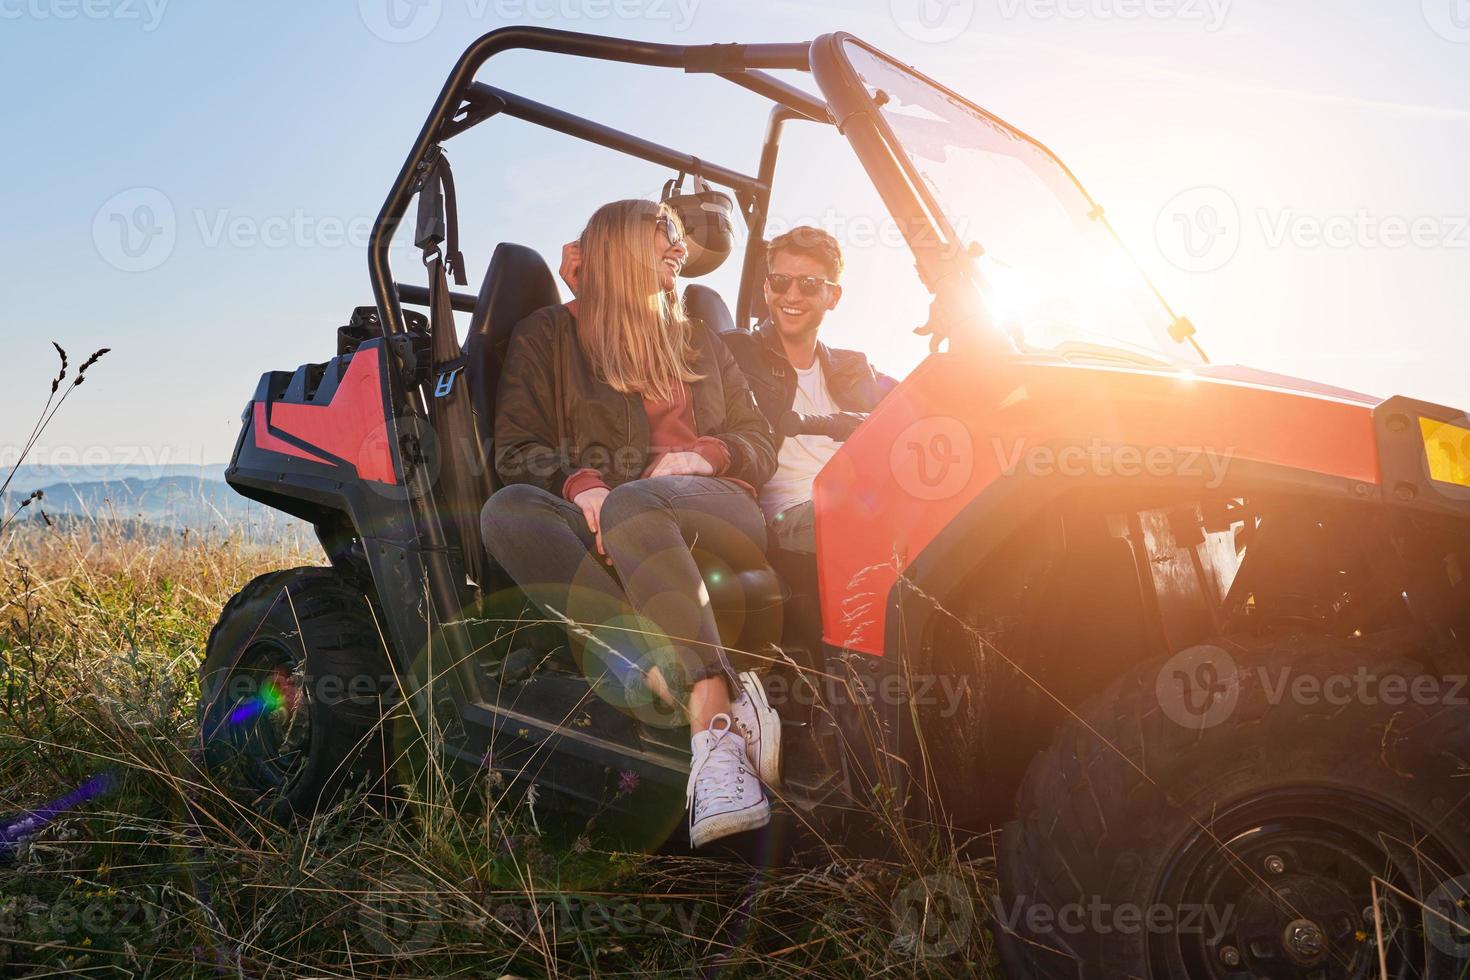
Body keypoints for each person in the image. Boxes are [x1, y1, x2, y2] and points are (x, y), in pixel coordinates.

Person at [480, 199, 781, 848]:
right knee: (507, 514)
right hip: (614, 514)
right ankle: (665, 680)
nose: (680, 249)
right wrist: (581, 486)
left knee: (634, 502)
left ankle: (715, 730)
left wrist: (705, 454)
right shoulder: (548, 336)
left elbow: (759, 440)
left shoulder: (699, 338)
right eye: (665, 237)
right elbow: (514, 449)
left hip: (713, 507)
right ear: (617, 249)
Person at [722, 226, 896, 555]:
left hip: (867, 501)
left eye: (809, 284)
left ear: (833, 296)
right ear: (766, 286)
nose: (792, 295)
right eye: (780, 281)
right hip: (791, 517)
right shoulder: (734, 352)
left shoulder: (855, 368)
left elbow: (920, 405)